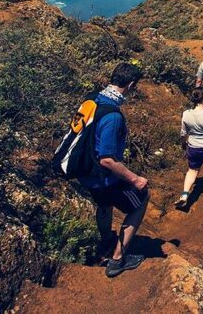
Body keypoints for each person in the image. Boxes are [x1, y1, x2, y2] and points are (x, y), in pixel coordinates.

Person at [79, 62, 149, 278]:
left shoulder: (91, 100)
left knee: (104, 204)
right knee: (141, 200)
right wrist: (135, 178)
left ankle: (106, 240)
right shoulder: (113, 117)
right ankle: (118, 259)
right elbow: (107, 160)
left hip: (86, 174)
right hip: (104, 177)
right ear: (130, 84)